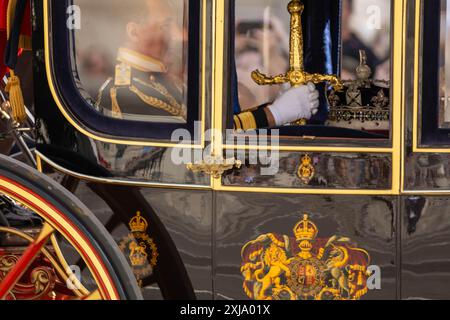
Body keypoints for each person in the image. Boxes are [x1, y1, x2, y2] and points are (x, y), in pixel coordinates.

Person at [97, 0, 319, 128]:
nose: (177, 36)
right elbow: (201, 142)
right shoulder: (127, 90)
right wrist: (275, 114)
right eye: (165, 25)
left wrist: (275, 107)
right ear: (134, 31)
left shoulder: (154, 81)